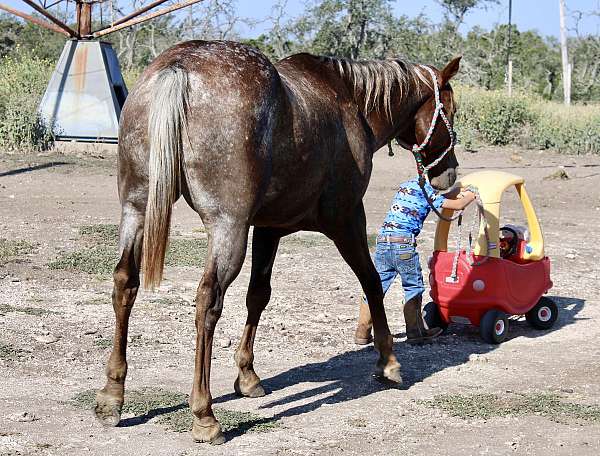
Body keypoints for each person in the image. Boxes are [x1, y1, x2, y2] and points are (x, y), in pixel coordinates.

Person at [354, 176, 476, 345]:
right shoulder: (428, 192)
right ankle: (415, 332)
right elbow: (457, 205)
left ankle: (362, 331)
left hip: (383, 242)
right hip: (403, 245)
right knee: (413, 286)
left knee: (376, 287)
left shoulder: (410, 185)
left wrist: (457, 190)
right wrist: (472, 195)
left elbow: (440, 197)